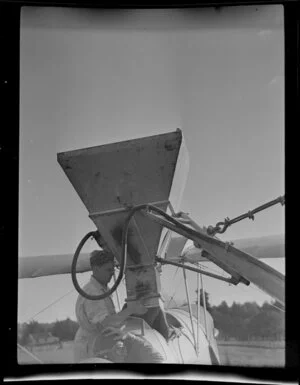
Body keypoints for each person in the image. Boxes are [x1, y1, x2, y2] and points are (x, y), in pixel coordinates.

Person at [73, 249, 147, 363]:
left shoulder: (102, 288)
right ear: (96, 269)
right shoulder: (93, 292)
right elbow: (105, 323)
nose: (112, 273)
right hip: (92, 350)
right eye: (108, 270)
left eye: (113, 269)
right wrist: (131, 309)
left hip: (101, 345)